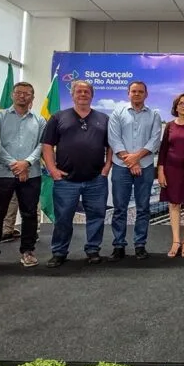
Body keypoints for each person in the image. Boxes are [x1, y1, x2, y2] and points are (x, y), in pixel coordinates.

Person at [41, 80, 112, 268]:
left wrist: (107, 167)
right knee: (63, 218)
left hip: (96, 179)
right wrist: (52, 170)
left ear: (92, 95)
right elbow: (47, 145)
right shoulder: (58, 118)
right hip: (65, 180)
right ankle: (59, 252)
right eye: (79, 91)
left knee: (96, 217)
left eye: (86, 91)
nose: (83, 94)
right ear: (72, 95)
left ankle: (93, 250)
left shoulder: (103, 119)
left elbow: (111, 146)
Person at [0, 82, 45, 272]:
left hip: (31, 174)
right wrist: (15, 164)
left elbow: (42, 145)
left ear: (32, 97)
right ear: (12, 95)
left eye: (27, 93)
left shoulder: (40, 120)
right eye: (19, 92)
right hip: (1, 173)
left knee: (29, 214)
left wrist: (27, 163)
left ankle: (28, 251)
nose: (22, 96)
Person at [107, 81, 162, 261]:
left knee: (143, 208)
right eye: (133, 91)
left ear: (146, 94)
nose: (137, 94)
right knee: (120, 208)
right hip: (121, 167)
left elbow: (155, 140)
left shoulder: (154, 115)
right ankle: (119, 245)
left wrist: (136, 158)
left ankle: (140, 245)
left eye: (140, 91)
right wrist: (131, 162)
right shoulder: (117, 113)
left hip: (145, 167)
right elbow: (114, 139)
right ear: (128, 93)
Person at [158, 93, 184, 258]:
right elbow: (163, 150)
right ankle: (176, 241)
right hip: (171, 170)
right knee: (173, 204)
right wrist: (160, 171)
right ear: (175, 107)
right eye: (181, 103)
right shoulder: (169, 126)